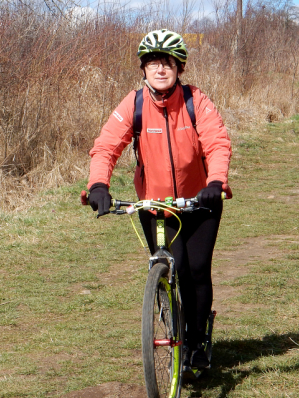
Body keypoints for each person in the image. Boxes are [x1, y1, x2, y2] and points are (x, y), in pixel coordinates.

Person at [86, 29, 232, 369]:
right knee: (171, 266)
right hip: (155, 205)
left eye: (167, 62)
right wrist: (98, 186)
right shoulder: (134, 104)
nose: (160, 69)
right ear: (143, 70)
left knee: (195, 269)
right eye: (153, 63)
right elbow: (107, 146)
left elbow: (217, 142)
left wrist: (215, 181)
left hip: (200, 202)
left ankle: (197, 343)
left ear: (179, 67)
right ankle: (173, 332)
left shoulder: (196, 100)